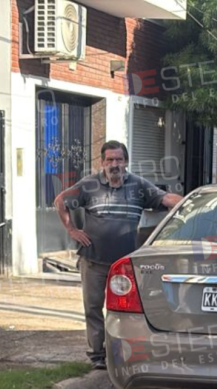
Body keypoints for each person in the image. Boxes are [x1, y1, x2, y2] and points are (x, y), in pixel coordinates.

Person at [55, 141, 183, 369]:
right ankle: (97, 355)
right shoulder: (89, 185)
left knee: (127, 309)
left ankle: (125, 351)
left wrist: (189, 204)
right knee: (93, 307)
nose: (114, 164)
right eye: (110, 160)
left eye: (119, 159)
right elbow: (60, 201)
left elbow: (165, 199)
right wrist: (72, 230)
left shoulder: (139, 185)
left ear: (126, 161)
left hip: (124, 265)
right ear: (102, 162)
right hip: (93, 260)